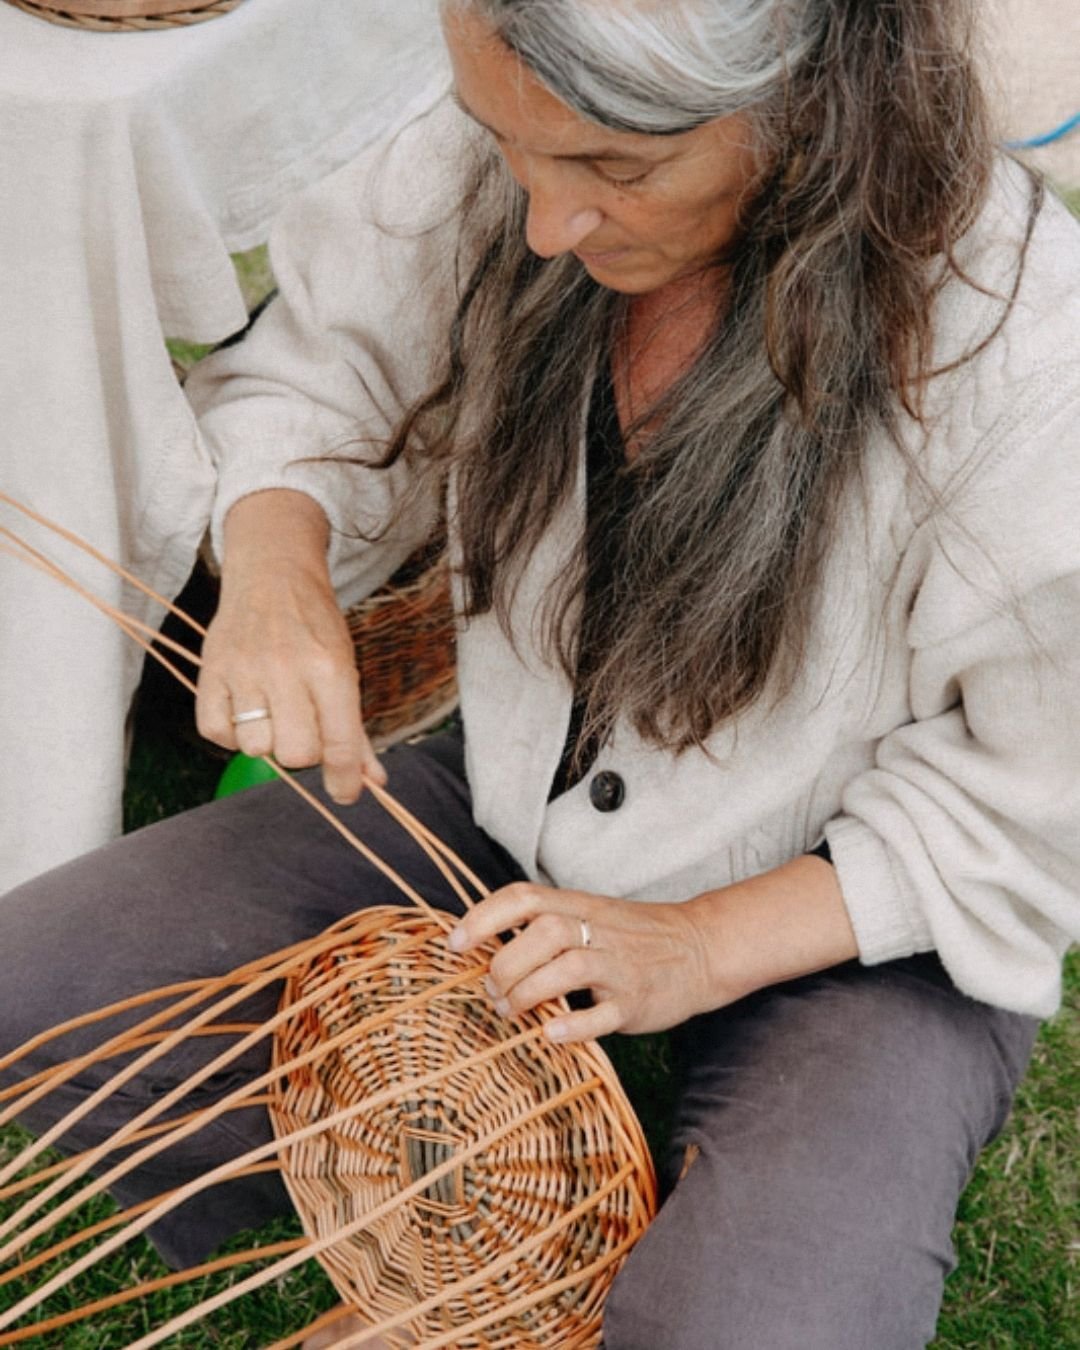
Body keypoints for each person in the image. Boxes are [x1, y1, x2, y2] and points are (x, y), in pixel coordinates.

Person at [2, 1, 1079, 1346]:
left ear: (816, 114)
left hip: (857, 909)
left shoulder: (1028, 353)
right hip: (514, 802)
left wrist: (696, 943)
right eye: (513, 148)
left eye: (616, 171)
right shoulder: (505, 139)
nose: (543, 226)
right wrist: (275, 557)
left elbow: (1036, 799)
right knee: (43, 991)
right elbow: (326, 366)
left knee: (764, 1323)